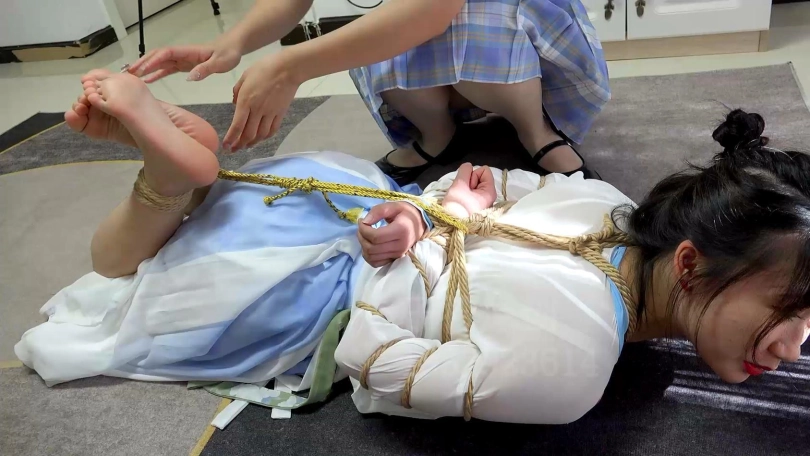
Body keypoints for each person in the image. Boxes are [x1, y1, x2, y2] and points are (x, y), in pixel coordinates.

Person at [15, 70, 809, 425]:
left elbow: (484, 183)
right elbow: (372, 360)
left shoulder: (603, 200)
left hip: (341, 192)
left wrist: (428, 215)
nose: (796, 345)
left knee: (140, 254)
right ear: (690, 262)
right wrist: (407, 251)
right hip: (306, 293)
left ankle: (174, 181)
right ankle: (174, 182)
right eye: (788, 311)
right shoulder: (567, 374)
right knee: (120, 284)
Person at [126, 0, 609, 185]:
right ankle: (436, 132)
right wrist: (231, 43)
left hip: (518, 32)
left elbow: (434, 9)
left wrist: (290, 67)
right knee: (375, 36)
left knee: (463, 19)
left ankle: (533, 128)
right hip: (440, 25)